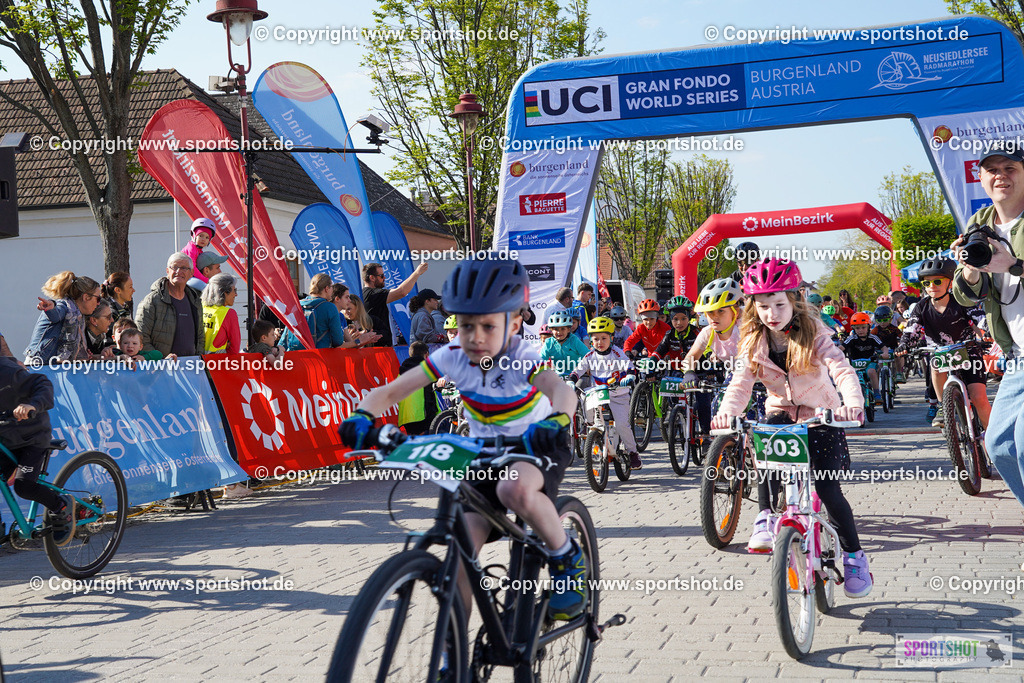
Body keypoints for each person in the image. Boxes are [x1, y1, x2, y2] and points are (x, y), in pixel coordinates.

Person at [340, 254, 587, 621]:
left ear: (516, 323)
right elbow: (392, 391)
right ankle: (450, 659)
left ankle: (567, 557)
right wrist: (363, 415)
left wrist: (558, 420)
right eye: (466, 326)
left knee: (512, 491)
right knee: (462, 549)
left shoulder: (522, 356)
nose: (476, 338)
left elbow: (560, 389)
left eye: (488, 326)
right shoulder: (454, 355)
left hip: (537, 445)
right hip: (484, 452)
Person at [711, 258, 872, 598]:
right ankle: (766, 517)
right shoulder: (753, 340)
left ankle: (856, 557)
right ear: (753, 306)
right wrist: (727, 414)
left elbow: (841, 370)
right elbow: (740, 384)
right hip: (782, 413)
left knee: (829, 490)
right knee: (766, 433)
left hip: (822, 416)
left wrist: (852, 404)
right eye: (764, 305)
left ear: (795, 300)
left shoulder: (814, 333)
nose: (772, 313)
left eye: (779, 304)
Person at [950, 142, 1024, 508]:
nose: (1001, 176)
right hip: (1016, 355)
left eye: (1010, 168)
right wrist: (968, 268)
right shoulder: (978, 224)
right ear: (981, 178)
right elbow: (965, 297)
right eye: (992, 170)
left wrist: (1014, 266)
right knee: (999, 445)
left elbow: (1012, 271)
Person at [903, 257, 990, 429]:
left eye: (937, 281)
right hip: (941, 354)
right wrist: (904, 344)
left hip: (969, 353)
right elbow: (912, 328)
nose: (931, 287)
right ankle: (943, 406)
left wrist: (986, 333)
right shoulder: (921, 306)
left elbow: (979, 319)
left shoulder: (961, 301)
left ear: (950, 282)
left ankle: (993, 440)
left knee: (978, 397)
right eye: (926, 283)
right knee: (935, 362)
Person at [0, 357, 76, 546]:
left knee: (24, 486)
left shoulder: (8, 372)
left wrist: (32, 405)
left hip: (31, 437)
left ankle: (61, 506)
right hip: (6, 438)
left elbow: (41, 382)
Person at [568, 316, 640, 468]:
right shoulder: (589, 356)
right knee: (590, 416)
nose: (599, 342)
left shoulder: (617, 353)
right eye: (595, 339)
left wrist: (630, 375)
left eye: (603, 338)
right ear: (590, 340)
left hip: (618, 393)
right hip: (598, 394)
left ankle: (632, 452)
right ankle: (594, 437)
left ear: (611, 338)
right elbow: (578, 370)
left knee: (622, 425)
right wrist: (571, 380)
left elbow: (629, 367)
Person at [684, 278, 745, 433]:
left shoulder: (745, 327)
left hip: (760, 375)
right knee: (717, 408)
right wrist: (689, 372)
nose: (714, 317)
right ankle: (724, 453)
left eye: (720, 311)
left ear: (735, 311)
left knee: (758, 415)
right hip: (735, 374)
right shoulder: (708, 332)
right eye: (710, 312)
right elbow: (690, 357)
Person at [136, 254, 204, 357]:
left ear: (191, 273)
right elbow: (140, 337)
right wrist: (161, 361)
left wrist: (198, 358)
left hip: (190, 368)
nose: (178, 272)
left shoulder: (195, 301)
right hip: (161, 369)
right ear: (168, 271)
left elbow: (200, 336)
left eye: (184, 268)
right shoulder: (152, 301)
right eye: (175, 267)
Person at [25, 271, 102, 364]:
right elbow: (55, 315)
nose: (99, 303)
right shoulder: (63, 306)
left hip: (51, 366)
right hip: (39, 364)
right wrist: (51, 308)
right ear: (86, 297)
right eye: (98, 298)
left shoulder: (78, 317)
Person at [361, 261, 429, 347]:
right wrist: (417, 273)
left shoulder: (366, 293)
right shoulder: (372, 294)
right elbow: (401, 292)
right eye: (381, 276)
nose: (385, 278)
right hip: (377, 347)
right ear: (372, 278)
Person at [842, 312, 889, 406]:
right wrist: (834, 353)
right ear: (853, 329)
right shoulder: (851, 339)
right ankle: (849, 396)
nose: (861, 330)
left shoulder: (873, 338)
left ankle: (877, 394)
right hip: (855, 365)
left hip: (869, 363)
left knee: (871, 371)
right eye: (857, 328)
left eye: (863, 327)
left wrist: (885, 353)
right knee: (848, 377)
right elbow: (841, 348)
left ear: (868, 327)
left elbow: (884, 347)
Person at [396, 341, 439, 436]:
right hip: (422, 415)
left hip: (406, 417)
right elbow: (437, 385)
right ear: (426, 354)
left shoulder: (402, 370)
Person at [201, 273, 241, 354]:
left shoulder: (201, 307)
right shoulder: (229, 313)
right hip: (218, 362)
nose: (236, 294)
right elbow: (235, 349)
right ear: (224, 292)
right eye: (234, 290)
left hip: (196, 361)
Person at [541, 310, 589, 378]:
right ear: (551, 330)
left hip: (577, 376)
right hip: (558, 377)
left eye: (563, 329)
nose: (559, 332)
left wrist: (589, 367)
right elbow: (540, 359)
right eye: (556, 329)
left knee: (581, 384)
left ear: (568, 329)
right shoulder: (548, 343)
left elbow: (587, 355)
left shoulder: (574, 340)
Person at [181, 218, 219, 285]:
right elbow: (193, 268)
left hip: (189, 276)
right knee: (204, 288)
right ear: (194, 235)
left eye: (207, 237)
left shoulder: (199, 250)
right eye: (201, 236)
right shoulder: (191, 249)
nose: (203, 239)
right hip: (186, 277)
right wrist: (206, 280)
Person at [871, 306, 905, 381]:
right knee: (879, 366)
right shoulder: (875, 330)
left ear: (890, 319)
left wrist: (902, 343)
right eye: (879, 320)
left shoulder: (894, 328)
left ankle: (899, 373)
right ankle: (877, 382)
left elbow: (902, 336)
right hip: (881, 350)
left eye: (885, 320)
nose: (882, 323)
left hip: (893, 348)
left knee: (897, 356)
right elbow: (870, 338)